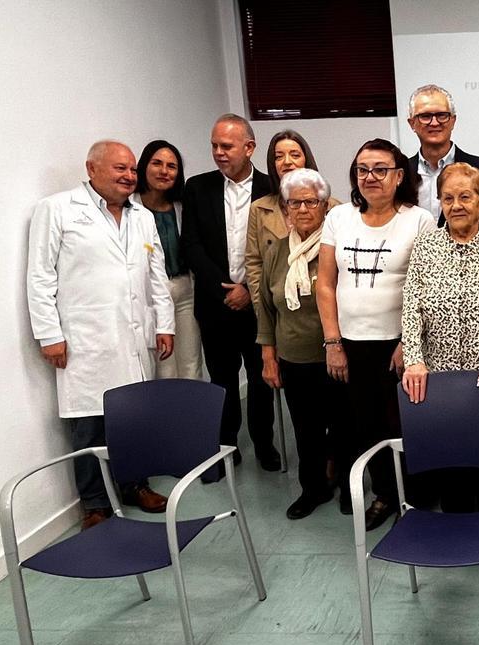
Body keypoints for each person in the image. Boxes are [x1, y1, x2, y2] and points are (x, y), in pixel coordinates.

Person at [27, 140, 175, 529]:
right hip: (84, 338)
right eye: (119, 169)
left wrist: (164, 323)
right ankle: (94, 504)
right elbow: (40, 277)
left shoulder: (141, 216)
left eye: (131, 170)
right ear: (91, 169)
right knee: (90, 422)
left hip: (132, 334)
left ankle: (134, 485)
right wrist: (48, 334)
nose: (129, 176)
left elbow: (155, 275)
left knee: (133, 417)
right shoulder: (57, 210)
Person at [316, 139, 436, 530]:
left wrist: (408, 340)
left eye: (380, 169)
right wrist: (333, 342)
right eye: (363, 169)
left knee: (405, 423)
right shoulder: (339, 218)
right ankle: (385, 493)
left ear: (399, 175)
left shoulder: (418, 219)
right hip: (351, 343)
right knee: (366, 424)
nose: (371, 177)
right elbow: (326, 284)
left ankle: (416, 495)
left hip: (401, 343)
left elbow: (425, 286)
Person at [400, 162, 479, 512]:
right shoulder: (426, 246)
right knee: (451, 464)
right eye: (448, 197)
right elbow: (411, 306)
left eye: (466, 197)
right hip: (440, 379)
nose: (457, 205)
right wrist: (414, 360)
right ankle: (457, 529)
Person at [180, 113, 280, 471]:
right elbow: (190, 244)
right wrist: (224, 287)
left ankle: (265, 445)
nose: (218, 152)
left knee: (260, 380)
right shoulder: (197, 187)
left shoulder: (274, 188)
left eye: (227, 146)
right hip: (215, 303)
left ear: (249, 147)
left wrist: (248, 292)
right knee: (221, 381)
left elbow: (278, 253)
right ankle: (225, 449)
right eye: (214, 146)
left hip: (259, 308)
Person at [257, 169, 340, 520]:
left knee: (341, 426)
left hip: (334, 354)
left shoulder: (335, 246)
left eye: (311, 201)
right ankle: (313, 489)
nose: (303, 209)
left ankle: (346, 486)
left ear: (324, 206)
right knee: (305, 430)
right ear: (286, 209)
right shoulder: (277, 251)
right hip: (293, 356)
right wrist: (268, 355)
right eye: (295, 203)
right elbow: (264, 304)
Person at [246, 130, 338, 316]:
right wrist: (262, 310)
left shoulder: (333, 207)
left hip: (324, 306)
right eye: (279, 156)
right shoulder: (259, 208)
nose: (287, 161)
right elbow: (254, 264)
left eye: (294, 155)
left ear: (306, 160)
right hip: (279, 308)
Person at [133, 140, 203, 380]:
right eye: (157, 163)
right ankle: (167, 415)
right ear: (144, 166)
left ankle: (192, 415)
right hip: (151, 295)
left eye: (171, 166)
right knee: (162, 363)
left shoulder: (183, 206)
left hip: (185, 291)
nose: (164, 171)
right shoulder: (131, 208)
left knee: (191, 361)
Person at [405, 84, 479, 228]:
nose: (434, 122)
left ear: (453, 121)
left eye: (442, 115)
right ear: (412, 123)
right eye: (425, 116)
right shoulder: (402, 172)